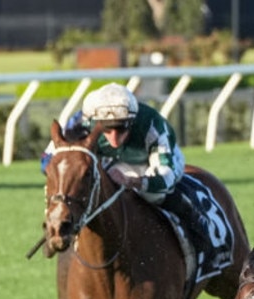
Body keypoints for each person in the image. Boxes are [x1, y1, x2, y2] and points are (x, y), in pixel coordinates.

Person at [77, 82, 213, 256]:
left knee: (154, 194)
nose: (115, 138)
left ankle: (199, 229)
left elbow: (165, 177)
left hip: (158, 162)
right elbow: (50, 157)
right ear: (95, 122)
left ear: (132, 121)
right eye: (107, 129)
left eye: (121, 129)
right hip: (115, 161)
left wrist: (133, 181)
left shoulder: (152, 125)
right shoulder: (83, 122)